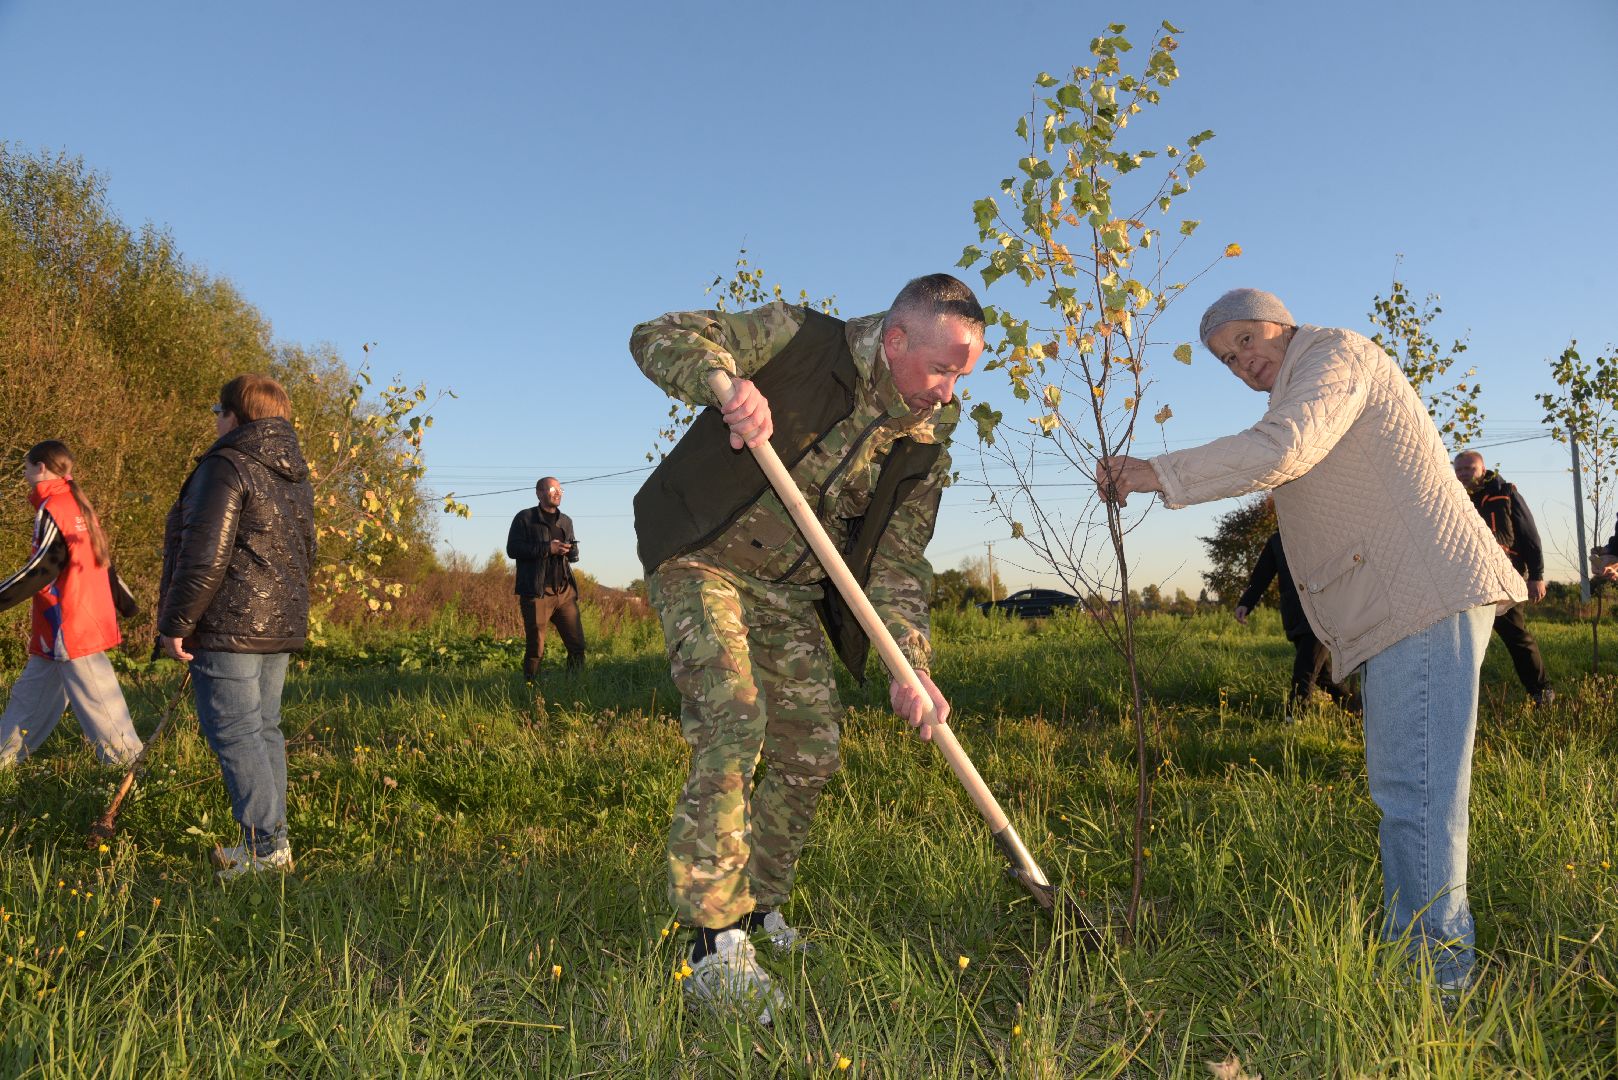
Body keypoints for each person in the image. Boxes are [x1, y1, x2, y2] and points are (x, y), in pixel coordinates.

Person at [1098, 288, 1523, 991]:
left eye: (1246, 340)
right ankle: (1422, 964)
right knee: (1409, 793)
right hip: (1406, 603)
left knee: (1418, 796)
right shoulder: (1299, 385)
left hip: (1424, 595)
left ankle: (1436, 985)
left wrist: (1156, 472)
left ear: (1281, 322)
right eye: (1227, 359)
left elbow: (1285, 448)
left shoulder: (1334, 353)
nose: (1242, 362)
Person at [629, 273, 984, 1021]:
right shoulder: (800, 339)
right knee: (734, 716)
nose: (948, 392)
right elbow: (657, 335)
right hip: (704, 557)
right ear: (896, 341)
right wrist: (723, 383)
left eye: (961, 377)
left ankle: (760, 907)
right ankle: (714, 943)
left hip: (787, 592)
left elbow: (897, 562)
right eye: (942, 370)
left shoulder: (924, 440)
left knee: (811, 750)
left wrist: (910, 665)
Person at [157, 375, 315, 880]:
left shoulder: (226, 465)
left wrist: (177, 622)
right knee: (262, 728)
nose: (216, 421)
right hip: (278, 623)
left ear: (235, 415)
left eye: (218, 411)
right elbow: (308, 552)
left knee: (236, 731)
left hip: (230, 624)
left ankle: (264, 849)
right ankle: (272, 844)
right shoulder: (294, 474)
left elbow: (204, 555)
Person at [0, 441, 143, 766]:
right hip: (61, 629)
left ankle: (130, 774)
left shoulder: (54, 506)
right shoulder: (76, 503)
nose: (24, 474)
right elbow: (102, 561)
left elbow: (41, 569)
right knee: (27, 703)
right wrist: (127, 604)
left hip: (71, 627)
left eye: (26, 468)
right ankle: (3, 764)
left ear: (41, 468)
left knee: (104, 709)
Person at [1453, 451, 1554, 704]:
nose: (1463, 474)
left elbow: (1529, 534)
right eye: (1459, 469)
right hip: (1465, 578)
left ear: (1483, 469)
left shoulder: (1504, 492)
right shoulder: (1452, 497)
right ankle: (1459, 698)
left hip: (1502, 577)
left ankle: (1541, 692)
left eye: (1469, 468)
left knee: (1515, 636)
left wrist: (1537, 575)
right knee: (1461, 639)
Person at [1235, 528, 1351, 719]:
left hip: (1322, 614)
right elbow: (1261, 575)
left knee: (1304, 671)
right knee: (1323, 677)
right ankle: (1357, 711)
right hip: (1295, 616)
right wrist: (1245, 603)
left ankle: (1294, 720)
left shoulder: (1321, 531)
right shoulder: (1277, 540)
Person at [505, 477, 584, 681]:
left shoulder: (566, 521)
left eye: (560, 490)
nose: (557, 493)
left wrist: (571, 551)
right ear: (539, 493)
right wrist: (548, 548)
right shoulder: (525, 518)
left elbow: (571, 553)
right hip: (537, 592)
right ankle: (531, 688)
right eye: (552, 489)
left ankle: (575, 686)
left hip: (564, 592)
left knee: (577, 646)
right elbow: (513, 549)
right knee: (536, 649)